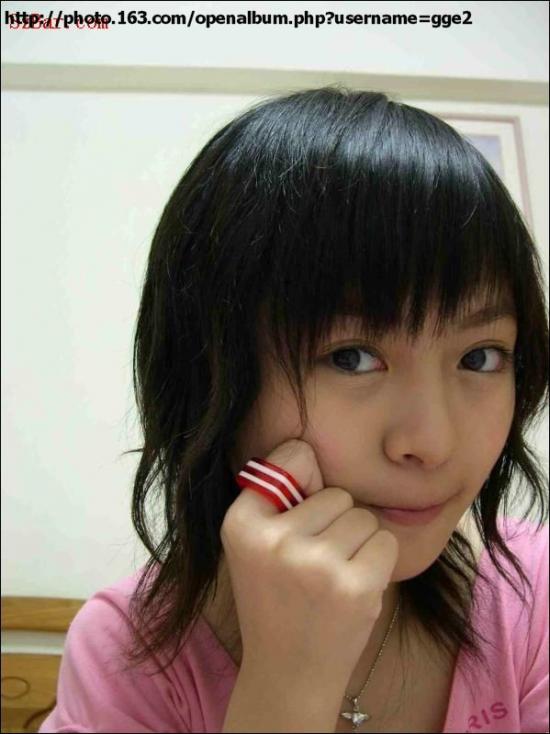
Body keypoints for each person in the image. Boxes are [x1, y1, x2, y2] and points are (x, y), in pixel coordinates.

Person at [39, 86, 548, 733]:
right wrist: (287, 686)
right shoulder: (128, 657)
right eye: (351, 358)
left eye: (480, 357)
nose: (432, 442)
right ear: (210, 375)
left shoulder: (531, 596)